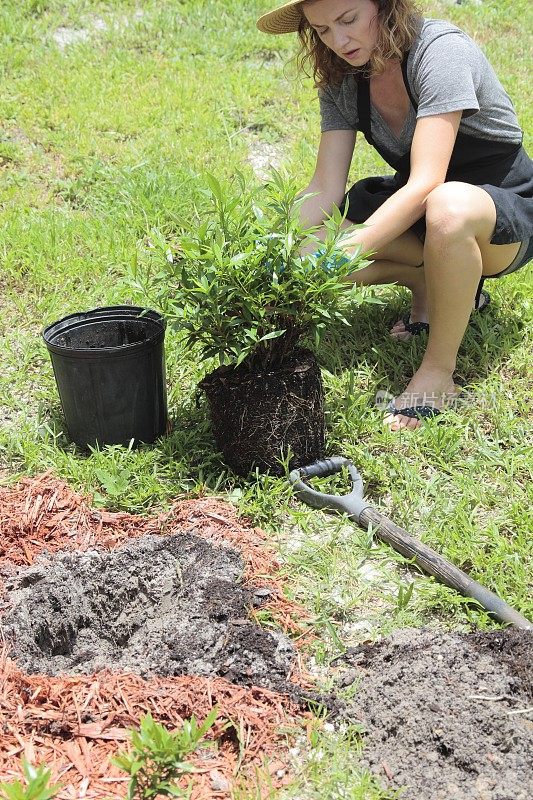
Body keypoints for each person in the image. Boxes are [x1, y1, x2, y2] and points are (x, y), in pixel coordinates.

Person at [257, 0, 533, 430]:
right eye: (323, 29)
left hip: (493, 209)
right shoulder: (342, 75)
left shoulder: (439, 51)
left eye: (348, 19)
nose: (339, 40)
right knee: (306, 248)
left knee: (446, 206)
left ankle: (438, 374)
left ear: (384, 6)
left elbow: (428, 183)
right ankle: (426, 282)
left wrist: (343, 254)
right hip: (417, 206)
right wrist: (270, 250)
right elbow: (324, 188)